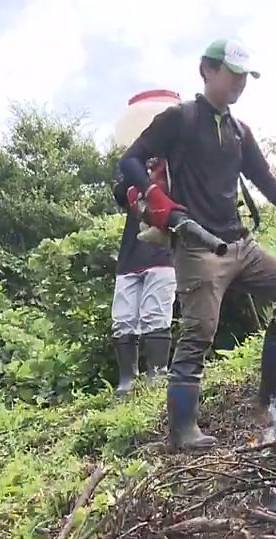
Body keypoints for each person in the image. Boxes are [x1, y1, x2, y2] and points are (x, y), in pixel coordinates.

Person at [113, 37, 276, 451]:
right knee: (198, 334)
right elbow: (130, 161)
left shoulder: (239, 131)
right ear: (207, 70)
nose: (239, 83)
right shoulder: (180, 119)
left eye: (245, 77)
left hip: (240, 245)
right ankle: (182, 431)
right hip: (197, 247)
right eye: (233, 74)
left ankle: (274, 391)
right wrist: (158, 201)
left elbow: (264, 179)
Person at [110, 157, 178, 396]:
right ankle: (127, 380)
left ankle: (156, 375)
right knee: (122, 319)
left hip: (162, 254)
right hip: (130, 255)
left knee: (156, 315)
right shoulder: (137, 172)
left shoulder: (177, 171)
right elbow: (120, 194)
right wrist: (137, 169)